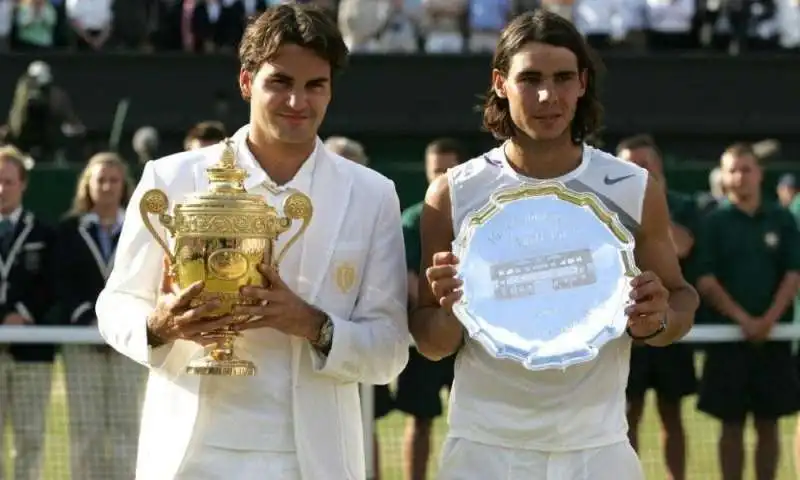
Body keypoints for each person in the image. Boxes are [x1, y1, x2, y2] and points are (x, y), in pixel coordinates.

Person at [94, 4, 409, 480]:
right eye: (280, 82)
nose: (297, 101)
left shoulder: (372, 194)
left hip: (313, 462)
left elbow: (388, 350)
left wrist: (314, 325)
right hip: (190, 458)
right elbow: (115, 305)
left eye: (314, 85)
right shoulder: (172, 177)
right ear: (246, 82)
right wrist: (160, 325)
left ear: (330, 90)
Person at [408, 10, 699, 479]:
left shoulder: (631, 186)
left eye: (563, 77)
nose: (548, 95)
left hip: (598, 447)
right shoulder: (452, 193)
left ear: (583, 83)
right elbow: (432, 341)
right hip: (485, 448)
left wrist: (656, 319)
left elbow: (680, 299)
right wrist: (446, 312)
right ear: (501, 83)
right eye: (531, 79)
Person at [694, 143, 800, 480]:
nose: (741, 176)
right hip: (728, 341)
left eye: (747, 169)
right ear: (723, 178)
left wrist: (767, 321)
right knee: (731, 424)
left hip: (773, 339)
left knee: (769, 423)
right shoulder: (713, 222)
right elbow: (706, 280)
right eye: (733, 170)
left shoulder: (781, 219)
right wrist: (744, 321)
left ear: (759, 173)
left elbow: (793, 273)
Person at [55, 152, 145, 480]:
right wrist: (89, 322)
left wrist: (121, 324)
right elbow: (60, 281)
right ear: (87, 185)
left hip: (128, 343)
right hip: (82, 342)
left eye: (114, 180)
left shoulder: (141, 229)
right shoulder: (68, 229)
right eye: (100, 180)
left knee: (125, 427)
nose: (107, 187)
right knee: (85, 428)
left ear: (124, 186)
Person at [617, 134, 698, 480]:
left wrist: (653, 204)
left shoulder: (682, 205)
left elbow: (681, 247)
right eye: (629, 165)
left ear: (659, 168)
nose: (638, 171)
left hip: (668, 325)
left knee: (672, 414)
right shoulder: (604, 207)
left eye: (645, 165)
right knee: (626, 415)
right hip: (622, 329)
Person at [394, 138, 463, 480]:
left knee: (470, 425)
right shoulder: (412, 220)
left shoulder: (479, 215)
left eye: (449, 170)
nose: (442, 176)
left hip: (470, 338)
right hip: (423, 336)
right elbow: (408, 278)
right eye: (436, 169)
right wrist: (424, 322)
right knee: (419, 421)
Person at [0, 145, 57, 480]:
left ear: (22, 184)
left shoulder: (44, 233)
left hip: (32, 353)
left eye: (8, 181)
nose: (1, 189)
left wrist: (20, 313)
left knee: (30, 436)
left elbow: (51, 285)